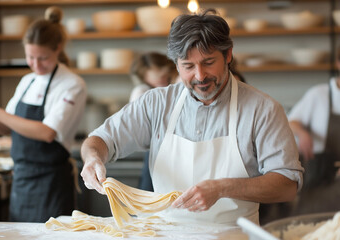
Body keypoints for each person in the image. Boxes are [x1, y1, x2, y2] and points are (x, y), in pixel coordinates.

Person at [80, 9, 303, 226]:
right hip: (165, 231)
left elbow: (287, 185)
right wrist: (92, 159)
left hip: (233, 234)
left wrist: (222, 188)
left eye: (208, 62)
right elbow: (100, 140)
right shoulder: (156, 103)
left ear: (228, 55)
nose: (199, 76)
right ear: (176, 64)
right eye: (188, 66)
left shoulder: (263, 109)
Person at [0, 6, 87, 222]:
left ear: (58, 48)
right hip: (22, 179)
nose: (35, 64)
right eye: (30, 57)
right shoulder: (28, 81)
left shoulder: (72, 84)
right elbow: (7, 127)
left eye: (42, 57)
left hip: (51, 182)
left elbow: (47, 133)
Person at [288, 46, 340, 214]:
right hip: (318, 181)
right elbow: (291, 122)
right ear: (338, 63)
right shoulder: (319, 95)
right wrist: (302, 133)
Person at [129, 52, 179, 191]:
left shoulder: (179, 82)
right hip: (156, 153)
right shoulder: (142, 93)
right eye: (155, 82)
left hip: (180, 152)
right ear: (145, 79)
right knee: (148, 199)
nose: (161, 84)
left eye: (164, 78)